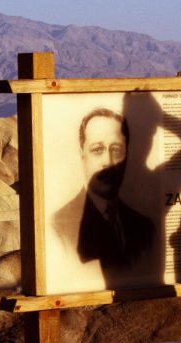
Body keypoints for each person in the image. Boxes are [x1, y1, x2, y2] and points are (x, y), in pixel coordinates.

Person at [53, 107, 154, 285]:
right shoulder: (58, 228)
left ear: (127, 156)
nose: (107, 162)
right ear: (82, 154)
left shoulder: (145, 228)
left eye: (116, 150)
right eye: (97, 149)